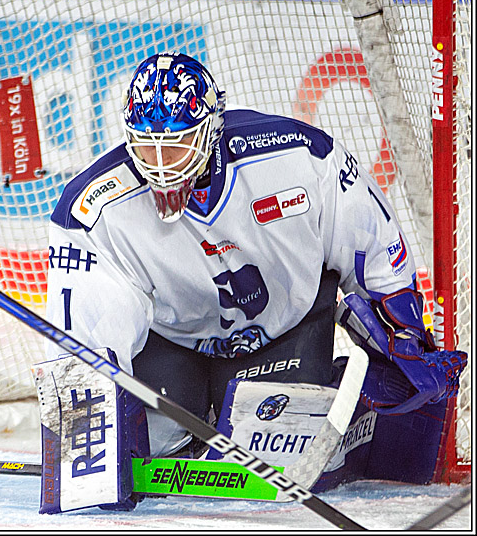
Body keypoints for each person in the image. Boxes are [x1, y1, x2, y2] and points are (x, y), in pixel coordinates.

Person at [45, 52, 465, 463]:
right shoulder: (90, 211)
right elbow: (88, 333)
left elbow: (372, 246)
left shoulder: (300, 155)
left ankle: (334, 397)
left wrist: (403, 334)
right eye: (146, 146)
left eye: (176, 145)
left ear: (210, 130)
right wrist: (89, 440)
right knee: (152, 441)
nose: (161, 165)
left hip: (282, 330)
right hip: (174, 341)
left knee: (278, 440)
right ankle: (185, 428)